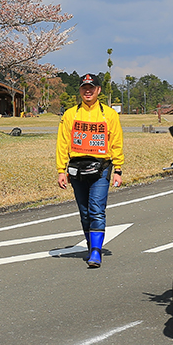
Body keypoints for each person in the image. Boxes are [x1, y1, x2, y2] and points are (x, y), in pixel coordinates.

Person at [55, 73, 124, 268]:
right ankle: (90, 244)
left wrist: (118, 169)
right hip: (76, 169)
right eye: (84, 88)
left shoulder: (109, 115)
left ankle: (96, 251)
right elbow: (62, 143)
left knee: (96, 209)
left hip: (101, 168)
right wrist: (61, 170)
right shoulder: (70, 115)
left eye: (91, 88)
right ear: (79, 90)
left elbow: (116, 142)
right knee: (84, 212)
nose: (88, 91)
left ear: (98, 90)